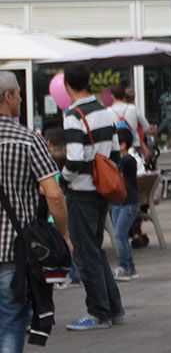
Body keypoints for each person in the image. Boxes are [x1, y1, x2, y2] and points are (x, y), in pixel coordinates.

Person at [0, 70, 68, 353]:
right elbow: (53, 193)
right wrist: (63, 234)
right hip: (15, 245)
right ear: (9, 97)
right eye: (19, 96)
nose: (21, 101)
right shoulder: (28, 139)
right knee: (12, 315)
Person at [60, 64, 125, 333]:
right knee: (95, 249)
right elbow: (115, 153)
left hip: (82, 192)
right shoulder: (103, 111)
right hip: (103, 190)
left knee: (86, 253)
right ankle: (113, 307)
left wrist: (61, 181)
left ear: (67, 86)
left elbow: (74, 158)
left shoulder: (73, 115)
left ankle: (98, 312)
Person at [110, 128, 142, 282]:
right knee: (120, 235)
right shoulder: (121, 160)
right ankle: (130, 266)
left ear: (122, 145)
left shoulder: (128, 160)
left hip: (129, 203)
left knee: (119, 234)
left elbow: (122, 164)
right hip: (119, 203)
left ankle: (124, 266)